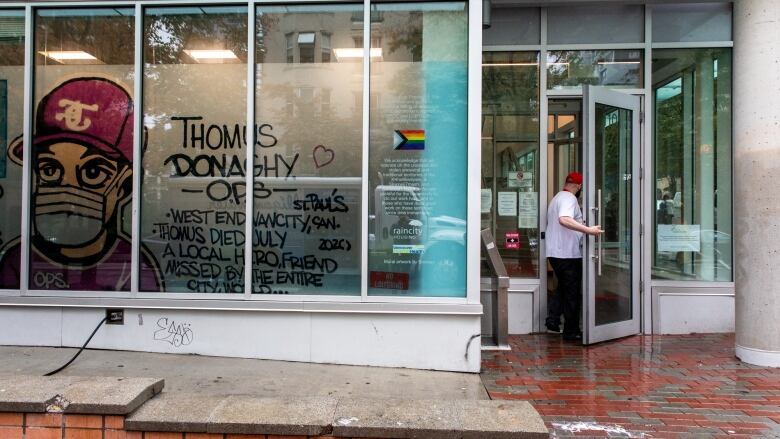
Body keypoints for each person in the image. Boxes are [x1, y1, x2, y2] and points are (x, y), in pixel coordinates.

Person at [0, 77, 161, 291]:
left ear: (124, 184)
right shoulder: (19, 260)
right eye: (50, 170)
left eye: (92, 172)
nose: (67, 189)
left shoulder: (131, 265)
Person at [545, 171, 602, 341]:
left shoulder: (557, 197)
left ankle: (553, 321)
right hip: (566, 254)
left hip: (557, 252)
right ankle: (571, 330)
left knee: (563, 288)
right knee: (572, 293)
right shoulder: (569, 199)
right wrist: (588, 230)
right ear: (579, 186)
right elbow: (564, 219)